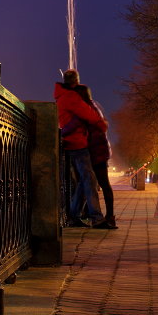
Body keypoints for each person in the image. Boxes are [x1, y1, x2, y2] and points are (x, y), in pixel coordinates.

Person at [54, 69, 111, 229]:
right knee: (89, 179)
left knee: (83, 180)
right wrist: (101, 124)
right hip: (78, 143)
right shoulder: (71, 97)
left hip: (71, 143)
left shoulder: (60, 97)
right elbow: (88, 114)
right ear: (76, 81)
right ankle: (96, 218)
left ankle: (74, 216)